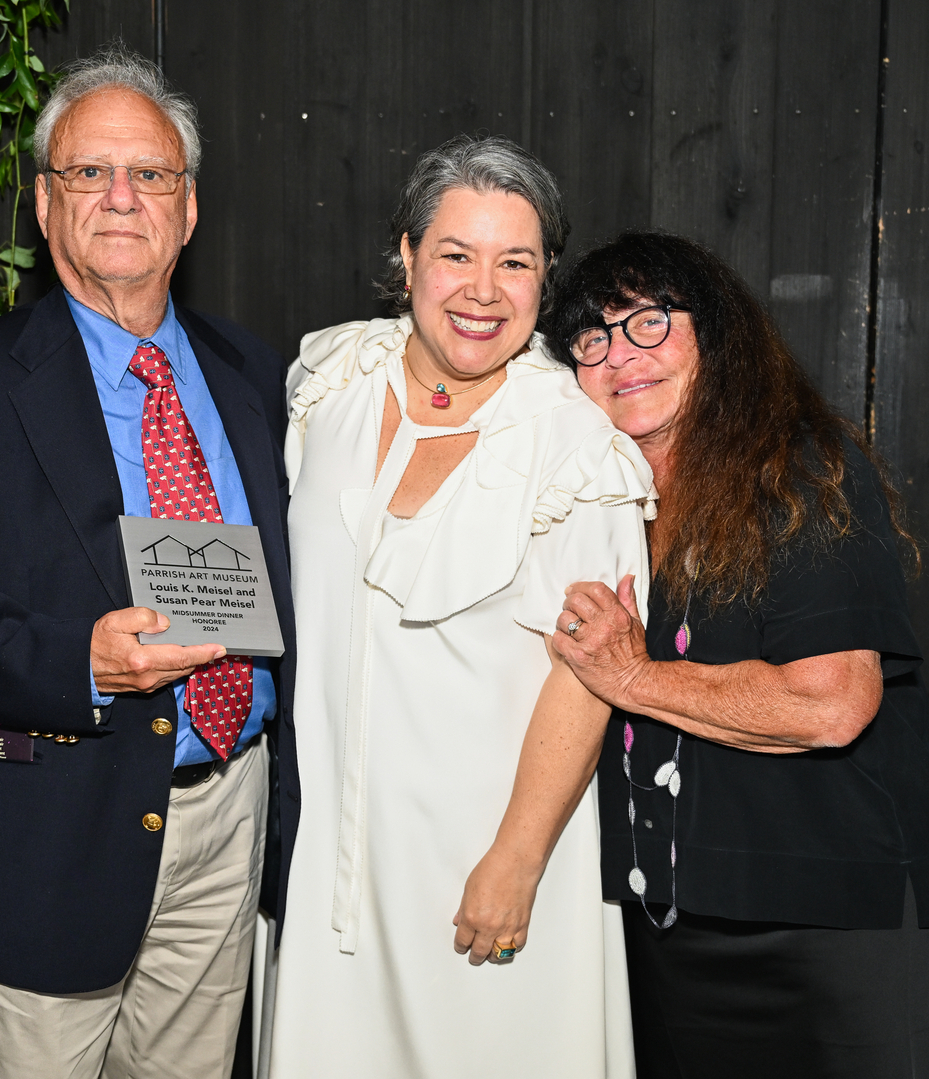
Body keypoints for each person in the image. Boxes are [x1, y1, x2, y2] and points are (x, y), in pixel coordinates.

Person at [0, 45, 294, 1079]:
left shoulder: (256, 377)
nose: (120, 197)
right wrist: (79, 660)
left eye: (150, 173)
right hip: (50, 832)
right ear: (44, 205)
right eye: (86, 172)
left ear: (188, 211)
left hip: (231, 811)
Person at [263, 135, 650, 1079]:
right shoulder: (331, 386)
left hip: (490, 866)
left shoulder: (575, 445)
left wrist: (517, 858)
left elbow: (589, 673)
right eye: (456, 254)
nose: (484, 288)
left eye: (515, 261)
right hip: (332, 868)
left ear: (544, 278)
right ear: (406, 257)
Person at [546, 230, 929, 1078]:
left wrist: (633, 677)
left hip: (834, 927)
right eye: (594, 336)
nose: (622, 355)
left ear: (717, 333)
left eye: (650, 322)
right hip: (668, 932)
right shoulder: (594, 501)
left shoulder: (801, 468)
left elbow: (830, 702)